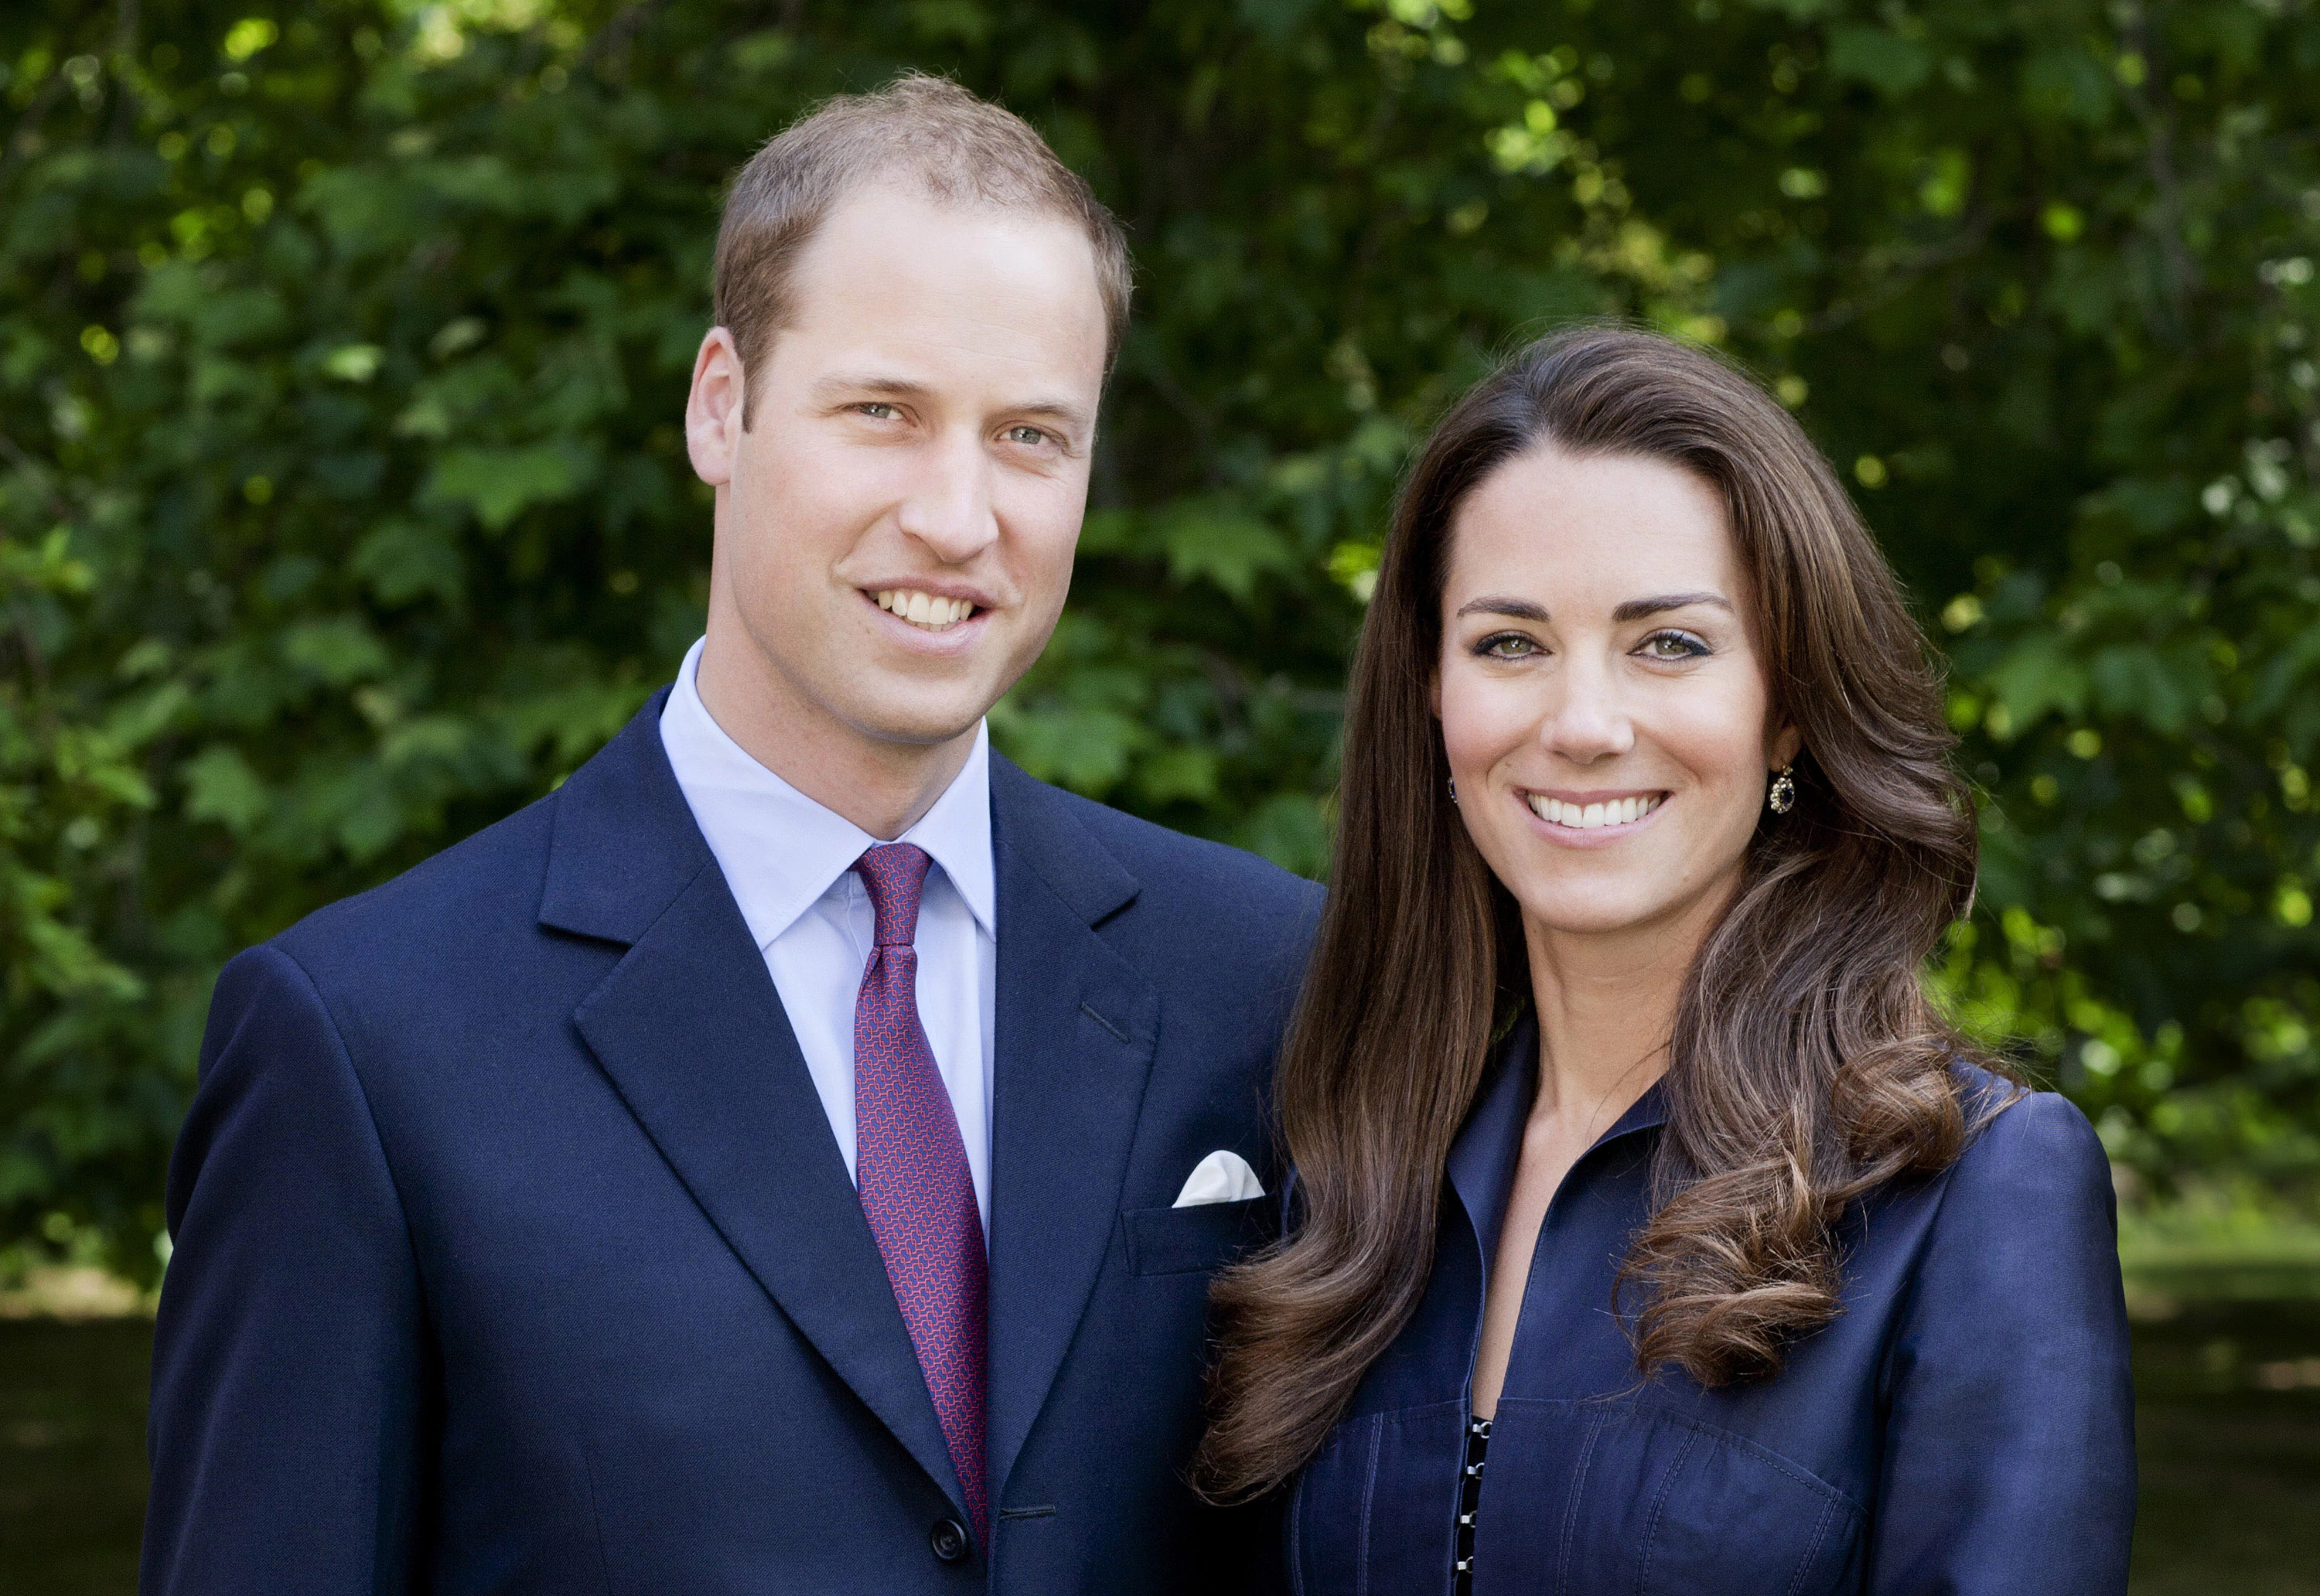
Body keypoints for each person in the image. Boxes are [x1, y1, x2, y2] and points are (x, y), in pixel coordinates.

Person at [142, 76, 1316, 1595]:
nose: (960, 515)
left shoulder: (1262, 974)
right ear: (720, 405)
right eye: (882, 412)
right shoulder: (366, 1049)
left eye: (1031, 435)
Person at [1196, 326, 2137, 1595]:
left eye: (1670, 645)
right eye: (1510, 644)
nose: (1582, 724)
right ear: (1432, 695)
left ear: (1789, 705)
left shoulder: (1967, 1194)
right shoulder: (1346, 1177)